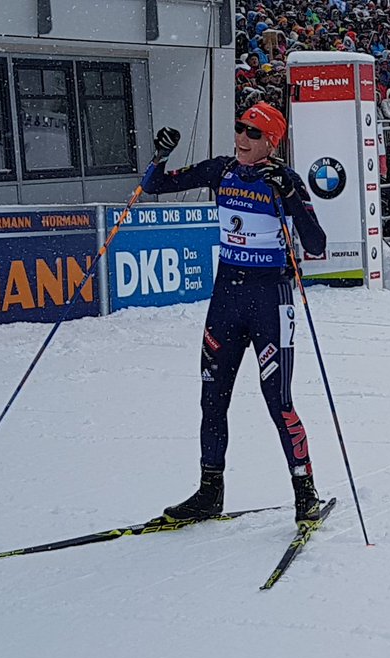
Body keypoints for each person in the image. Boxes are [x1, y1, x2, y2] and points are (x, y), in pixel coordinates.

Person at [143, 102, 328, 529]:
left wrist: (289, 194)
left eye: (253, 133)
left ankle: (305, 493)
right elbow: (154, 186)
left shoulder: (285, 180)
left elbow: (316, 244)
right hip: (226, 297)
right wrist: (160, 155)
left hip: (270, 299)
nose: (242, 138)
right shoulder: (221, 170)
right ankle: (210, 493)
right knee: (212, 399)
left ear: (271, 142)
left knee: (278, 402)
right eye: (240, 128)